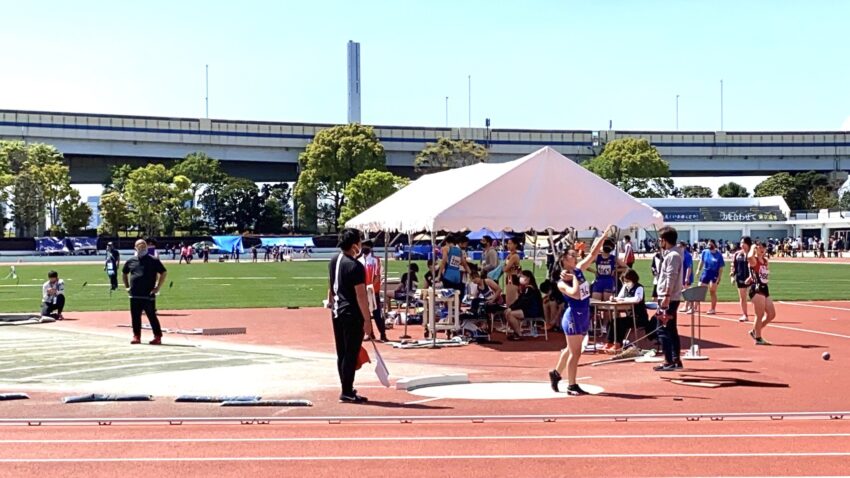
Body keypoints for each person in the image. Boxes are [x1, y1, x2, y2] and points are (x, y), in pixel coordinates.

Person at [548, 225, 613, 396]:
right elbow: (575, 294)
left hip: (584, 313)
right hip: (573, 316)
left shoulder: (578, 270)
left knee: (570, 350)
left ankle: (555, 373)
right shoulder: (562, 282)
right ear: (564, 260)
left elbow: (592, 255)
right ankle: (572, 385)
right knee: (576, 352)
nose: (575, 255)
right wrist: (576, 277)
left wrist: (603, 237)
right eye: (571, 255)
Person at [327, 228, 373, 403]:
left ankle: (346, 386)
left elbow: (330, 284)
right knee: (351, 353)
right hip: (352, 313)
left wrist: (330, 301)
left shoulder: (333, 260)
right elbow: (361, 295)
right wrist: (367, 320)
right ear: (354, 245)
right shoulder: (355, 266)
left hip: (337, 311)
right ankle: (346, 390)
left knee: (342, 352)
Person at [122, 239, 167, 345]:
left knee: (152, 316)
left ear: (146, 247)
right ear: (135, 248)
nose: (141, 247)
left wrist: (158, 287)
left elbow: (163, 272)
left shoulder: (153, 260)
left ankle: (157, 336)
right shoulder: (131, 261)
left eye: (143, 246)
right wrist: (127, 287)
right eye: (139, 246)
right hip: (134, 294)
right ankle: (136, 336)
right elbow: (124, 273)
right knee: (135, 316)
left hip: (148, 294)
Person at [654, 226, 684, 372]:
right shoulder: (672, 254)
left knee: (663, 329)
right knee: (671, 329)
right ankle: (675, 360)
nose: (659, 242)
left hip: (668, 298)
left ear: (665, 240)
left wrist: (666, 295)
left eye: (661, 239)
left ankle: (669, 361)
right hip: (669, 297)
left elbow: (670, 277)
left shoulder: (673, 256)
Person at [607, 269, 651, 353]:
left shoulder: (639, 288)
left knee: (621, 323)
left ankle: (618, 344)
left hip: (639, 318)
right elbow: (620, 297)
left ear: (633, 279)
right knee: (613, 321)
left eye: (627, 281)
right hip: (630, 316)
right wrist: (614, 298)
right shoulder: (625, 287)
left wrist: (624, 299)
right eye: (624, 281)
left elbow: (637, 299)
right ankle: (609, 342)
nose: (625, 283)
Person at [359, 240, 388, 342]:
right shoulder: (359, 260)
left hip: (373, 291)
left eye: (365, 246)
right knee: (364, 313)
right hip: (362, 291)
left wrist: (370, 286)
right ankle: (370, 333)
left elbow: (378, 275)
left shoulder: (376, 260)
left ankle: (383, 334)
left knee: (377, 314)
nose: (363, 248)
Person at [747, 241, 775, 345]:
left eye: (764, 247)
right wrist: (753, 247)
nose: (762, 249)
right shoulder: (753, 260)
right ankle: (758, 338)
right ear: (756, 248)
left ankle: (755, 331)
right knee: (759, 314)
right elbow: (749, 257)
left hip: (765, 288)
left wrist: (750, 277)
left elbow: (761, 273)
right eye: (760, 247)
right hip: (756, 288)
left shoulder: (765, 261)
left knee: (771, 314)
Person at [505, 270, 544, 340]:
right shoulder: (527, 289)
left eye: (522, 276)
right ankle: (516, 332)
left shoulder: (530, 289)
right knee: (507, 312)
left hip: (533, 311)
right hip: (528, 309)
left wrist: (511, 309)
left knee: (510, 314)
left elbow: (523, 302)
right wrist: (510, 307)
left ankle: (519, 334)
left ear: (528, 278)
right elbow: (519, 300)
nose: (520, 278)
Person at [696, 239, 725, 314]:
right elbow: (701, 261)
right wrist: (698, 270)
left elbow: (721, 267)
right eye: (708, 244)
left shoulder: (718, 254)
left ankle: (713, 309)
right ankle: (695, 307)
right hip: (705, 273)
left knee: (712, 291)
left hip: (714, 274)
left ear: (714, 245)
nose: (709, 245)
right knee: (699, 289)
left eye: (710, 244)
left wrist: (719, 277)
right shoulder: (705, 252)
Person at [730, 236, 752, 322]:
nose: (742, 244)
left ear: (748, 244)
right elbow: (733, 266)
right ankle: (744, 314)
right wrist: (732, 276)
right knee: (742, 298)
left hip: (752, 279)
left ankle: (759, 314)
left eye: (744, 243)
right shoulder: (737, 254)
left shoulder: (752, 254)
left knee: (754, 298)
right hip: (740, 278)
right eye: (741, 242)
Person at [503, 237, 522, 305]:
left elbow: (505, 268)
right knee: (508, 299)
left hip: (512, 278)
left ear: (515, 245)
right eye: (508, 244)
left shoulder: (515, 256)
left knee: (511, 300)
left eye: (510, 244)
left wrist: (504, 267)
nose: (508, 245)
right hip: (509, 277)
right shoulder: (509, 255)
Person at [678, 241, 694, 314]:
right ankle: (686, 306)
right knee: (684, 292)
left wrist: (687, 277)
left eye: (680, 246)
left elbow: (689, 267)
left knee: (687, 292)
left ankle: (691, 307)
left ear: (684, 247)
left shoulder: (687, 255)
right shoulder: (680, 255)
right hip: (681, 276)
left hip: (686, 276)